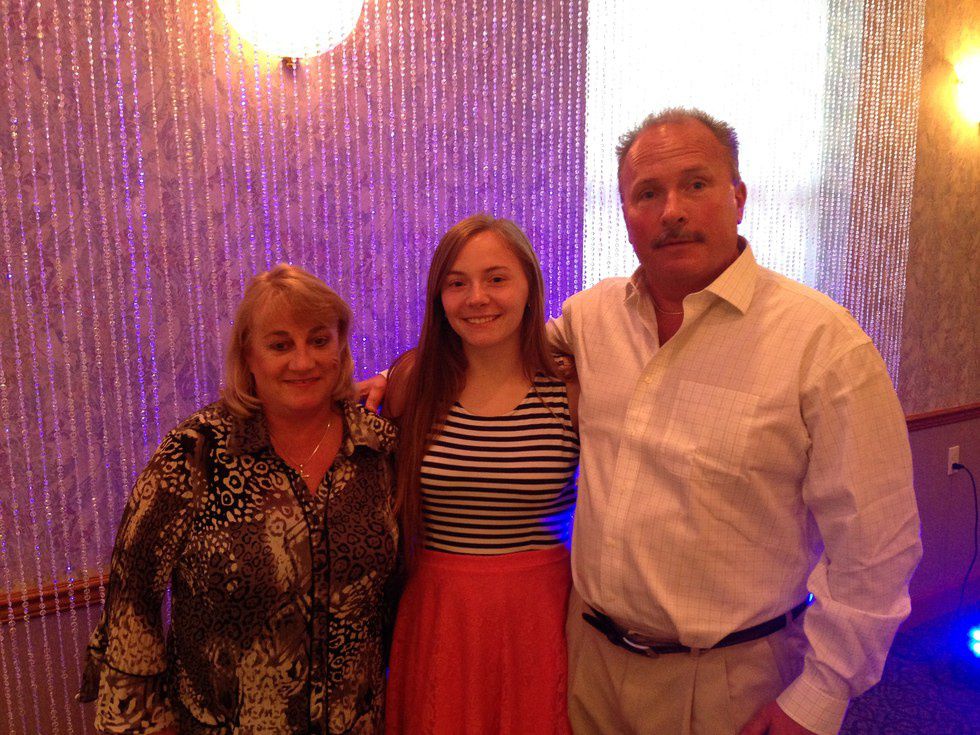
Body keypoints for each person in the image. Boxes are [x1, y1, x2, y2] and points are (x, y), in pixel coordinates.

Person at [550, 108, 922, 735]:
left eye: (695, 184)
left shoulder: (823, 344)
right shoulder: (591, 319)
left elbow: (877, 545)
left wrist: (820, 695)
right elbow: (497, 348)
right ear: (626, 214)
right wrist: (398, 378)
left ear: (738, 197)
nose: (672, 211)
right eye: (647, 193)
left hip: (730, 683)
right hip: (589, 662)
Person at [78, 264, 399, 734]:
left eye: (319, 340)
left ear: (340, 346)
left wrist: (397, 373)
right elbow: (133, 599)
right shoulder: (197, 452)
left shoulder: (376, 447)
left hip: (357, 722)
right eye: (280, 345)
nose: (303, 362)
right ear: (249, 356)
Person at [382, 214, 580, 734]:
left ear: (529, 286)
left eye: (496, 278)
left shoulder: (569, 389)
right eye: (457, 283)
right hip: (439, 612)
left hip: (542, 615)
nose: (477, 298)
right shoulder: (411, 383)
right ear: (439, 297)